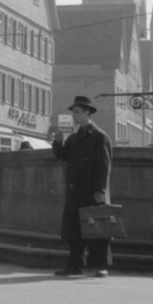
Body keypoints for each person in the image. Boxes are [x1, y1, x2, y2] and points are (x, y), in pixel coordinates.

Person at [52, 95, 112, 278]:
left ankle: (100, 265)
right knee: (73, 231)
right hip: (75, 191)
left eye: (77, 112)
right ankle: (74, 265)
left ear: (87, 113)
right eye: (73, 112)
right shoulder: (75, 137)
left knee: (97, 231)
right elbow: (63, 155)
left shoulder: (99, 136)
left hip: (92, 192)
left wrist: (100, 191)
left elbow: (103, 166)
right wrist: (58, 142)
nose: (74, 116)